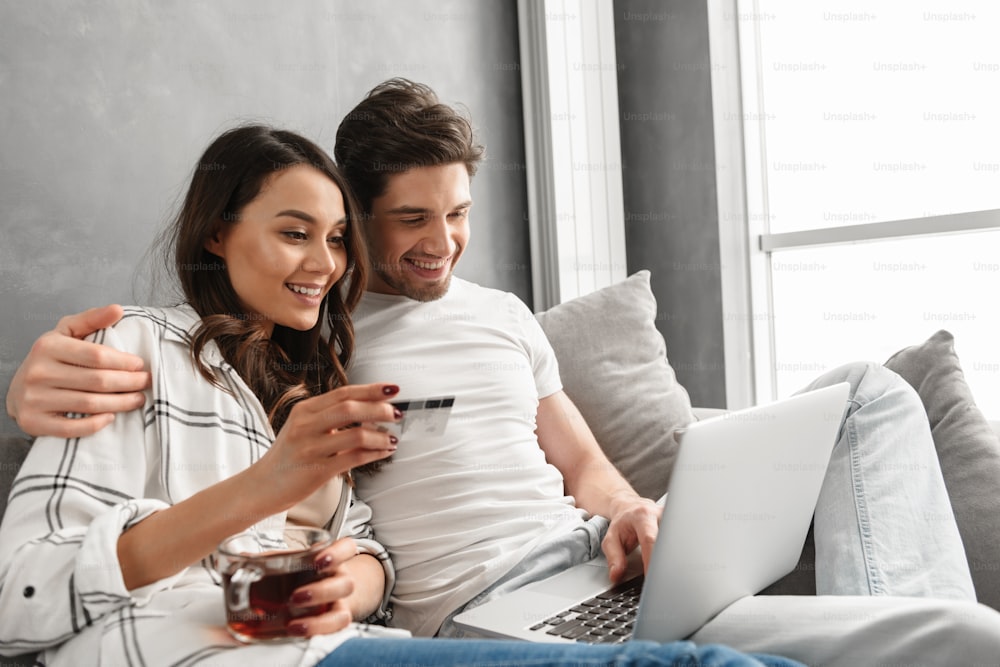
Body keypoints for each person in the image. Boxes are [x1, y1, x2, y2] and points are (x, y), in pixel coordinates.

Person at [7, 80, 1000, 666]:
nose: (441, 244)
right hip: (485, 608)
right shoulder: (312, 340)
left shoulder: (489, 321)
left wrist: (627, 513)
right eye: (406, 220)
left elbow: (578, 468)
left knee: (961, 621)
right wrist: (44, 372)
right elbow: (57, 565)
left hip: (592, 572)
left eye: (457, 213)